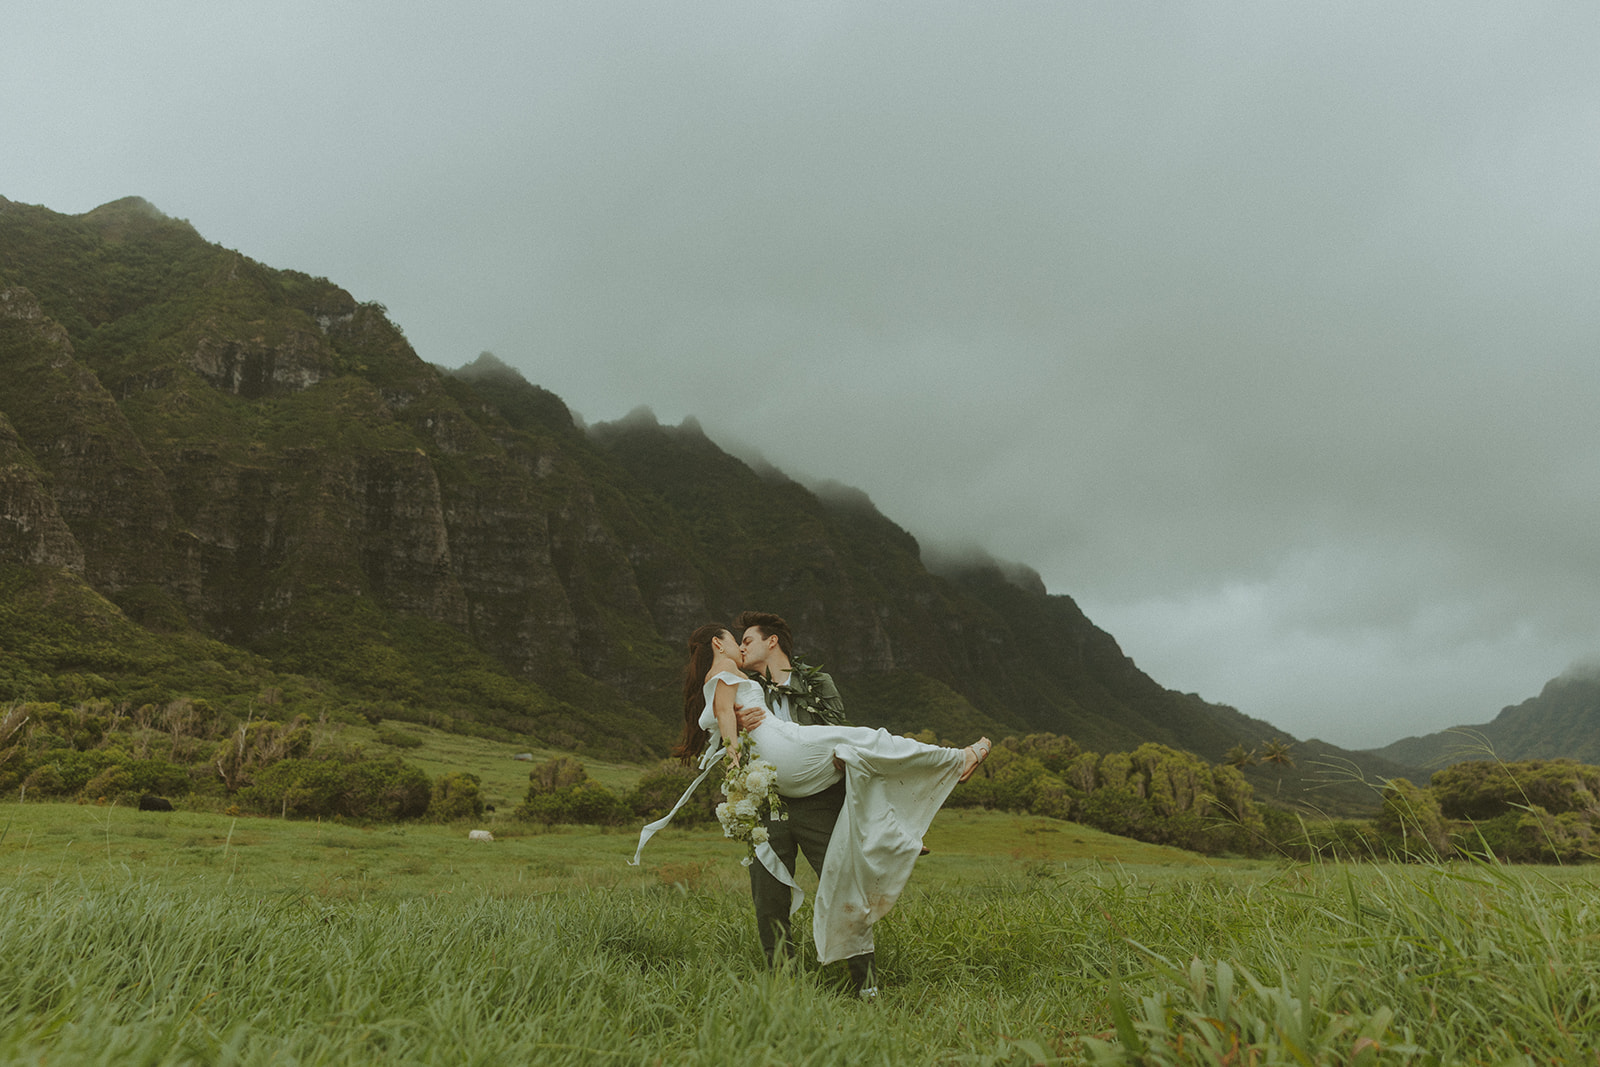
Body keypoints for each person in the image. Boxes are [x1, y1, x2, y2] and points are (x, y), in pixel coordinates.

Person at [635, 619, 990, 997]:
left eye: (748, 640)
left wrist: (835, 759)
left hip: (818, 800)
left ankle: (865, 984)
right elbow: (721, 713)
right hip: (770, 802)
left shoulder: (819, 685)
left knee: (846, 882)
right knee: (769, 899)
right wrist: (735, 724)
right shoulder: (744, 684)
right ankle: (782, 987)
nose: (741, 647)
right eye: (736, 642)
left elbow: (835, 728)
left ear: (771, 642)